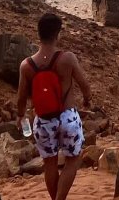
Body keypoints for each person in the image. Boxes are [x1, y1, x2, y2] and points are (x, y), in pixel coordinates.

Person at [16, 14, 93, 200]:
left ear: (38, 34)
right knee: (73, 160)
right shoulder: (67, 58)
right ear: (58, 34)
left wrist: (20, 116)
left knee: (49, 164)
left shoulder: (26, 65)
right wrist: (87, 101)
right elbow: (85, 85)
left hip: (43, 120)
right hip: (67, 117)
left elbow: (21, 97)